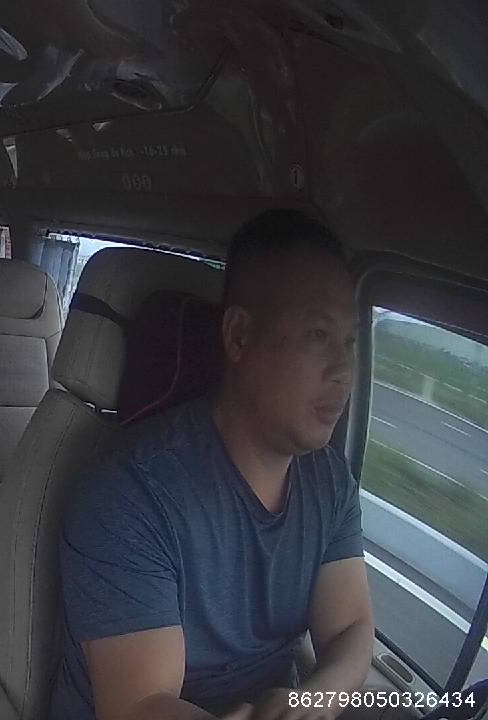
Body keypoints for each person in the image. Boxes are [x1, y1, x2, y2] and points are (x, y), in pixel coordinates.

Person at [52, 209, 374, 720]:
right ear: (239, 336)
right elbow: (140, 705)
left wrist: (314, 700)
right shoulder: (128, 493)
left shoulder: (329, 481)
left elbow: (351, 627)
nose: (343, 371)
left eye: (349, 342)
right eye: (318, 335)